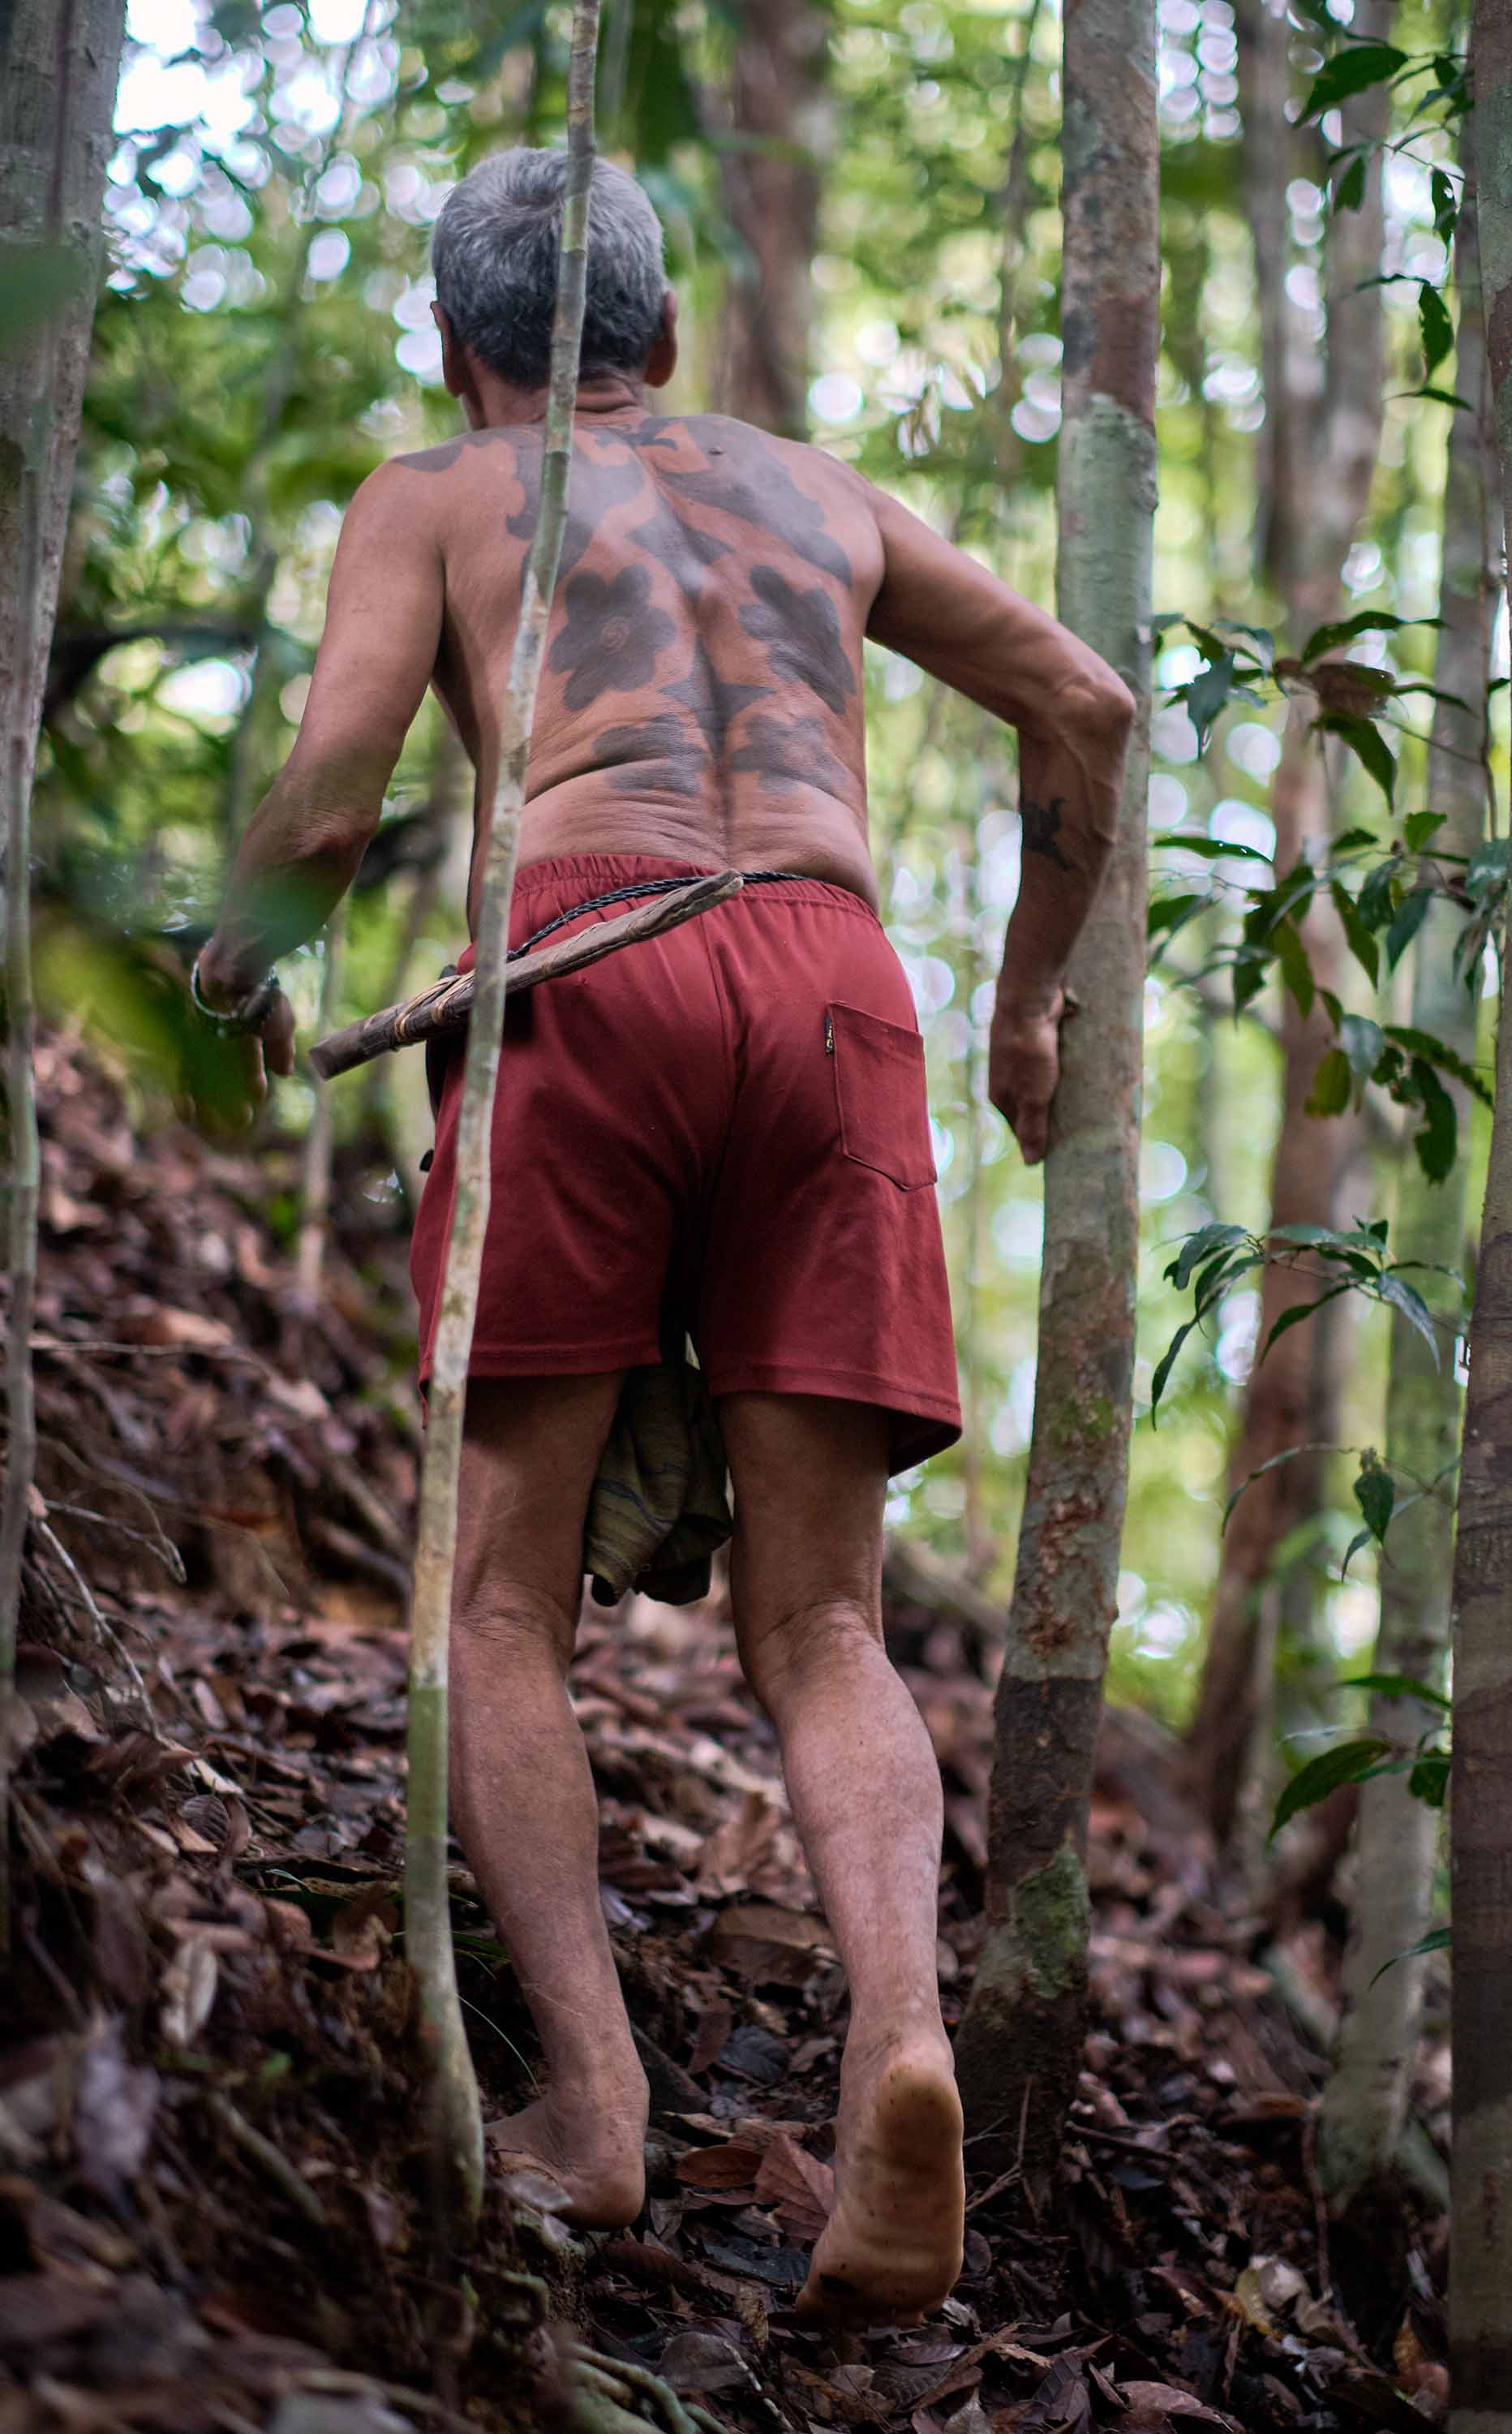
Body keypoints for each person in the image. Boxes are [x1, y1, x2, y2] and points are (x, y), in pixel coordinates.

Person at [193, 147, 1132, 2326]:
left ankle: (596, 2115)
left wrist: (231, 973)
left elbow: (333, 803)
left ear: (456, 347)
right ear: (669, 346)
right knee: (823, 1631)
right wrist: (1024, 1006)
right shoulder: (812, 491)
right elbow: (1084, 701)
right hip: (825, 981)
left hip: (586, 969)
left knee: (501, 1600)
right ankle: (902, 2041)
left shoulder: (434, 487)